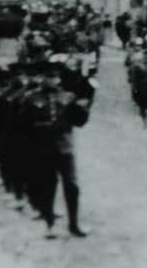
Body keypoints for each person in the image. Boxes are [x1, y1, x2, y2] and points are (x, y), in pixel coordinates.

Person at [15, 51, 94, 238]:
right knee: (47, 186)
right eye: (48, 76)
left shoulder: (67, 97)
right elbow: (22, 126)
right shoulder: (31, 99)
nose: (52, 80)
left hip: (65, 148)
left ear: (59, 78)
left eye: (55, 76)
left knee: (72, 186)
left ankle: (74, 224)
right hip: (42, 149)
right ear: (41, 78)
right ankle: (50, 224)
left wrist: (85, 105)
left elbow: (79, 122)